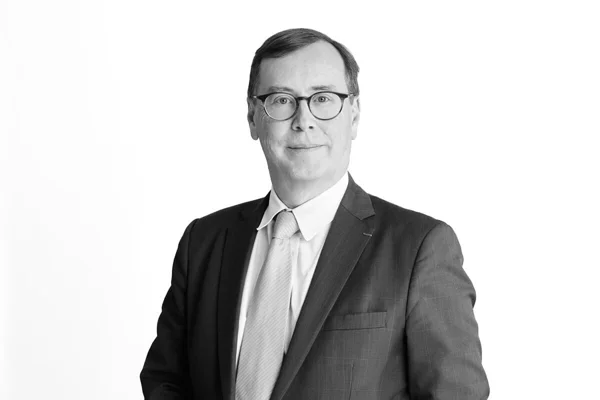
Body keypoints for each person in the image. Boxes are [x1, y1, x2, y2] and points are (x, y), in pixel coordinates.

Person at [140, 28, 490, 400]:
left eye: (323, 98)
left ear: (354, 115)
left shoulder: (419, 247)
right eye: (281, 100)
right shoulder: (204, 242)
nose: (303, 120)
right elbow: (166, 380)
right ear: (253, 117)